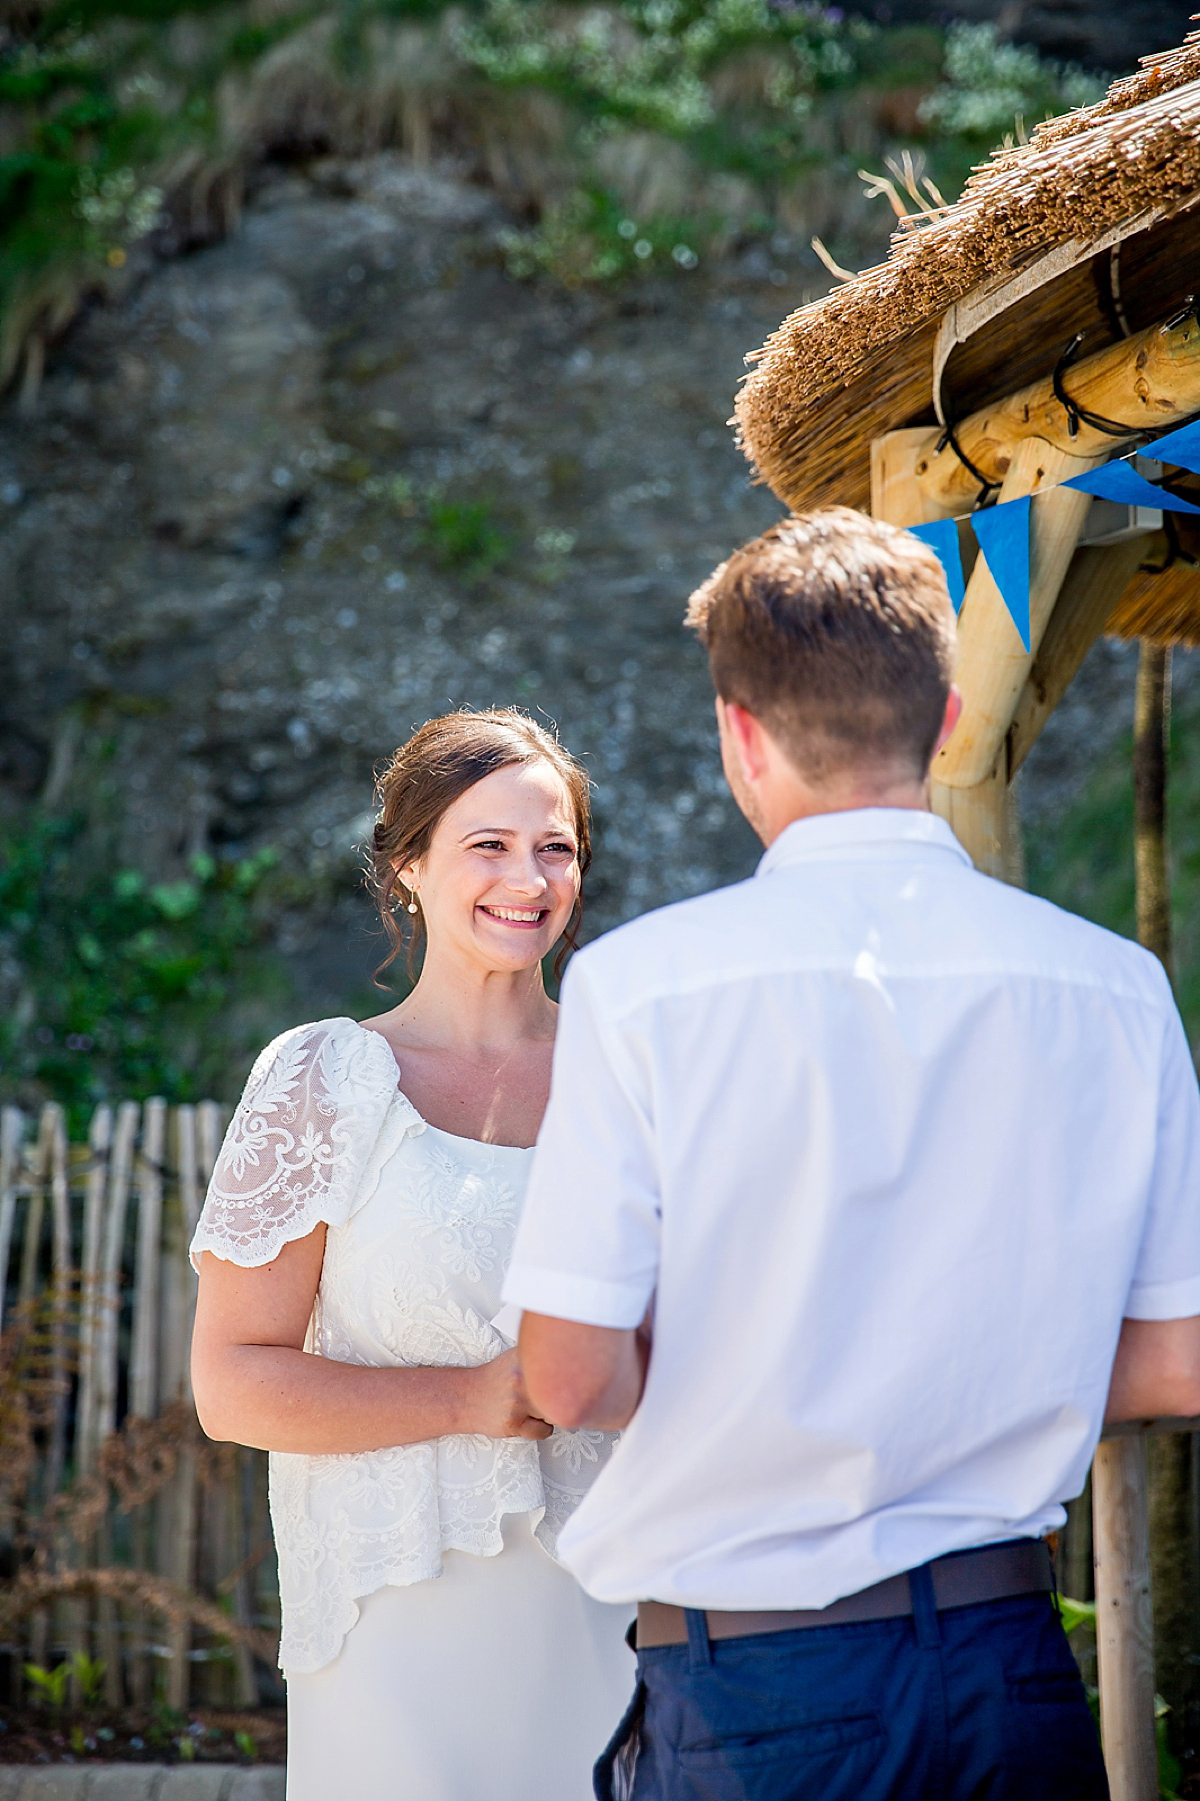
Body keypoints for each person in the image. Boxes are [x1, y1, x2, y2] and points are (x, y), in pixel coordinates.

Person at [501, 509, 1200, 1801]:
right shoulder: (1114, 986)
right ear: (945, 722)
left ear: (739, 733)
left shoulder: (641, 987)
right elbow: (1176, 1357)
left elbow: (569, 1369)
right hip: (1014, 1667)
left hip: (763, 1681)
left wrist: (788, 1370)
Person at [189, 708, 635, 1801]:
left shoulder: (638, 1074)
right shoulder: (319, 1080)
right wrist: (473, 1398)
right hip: (394, 1628)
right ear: (408, 864)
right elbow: (233, 1383)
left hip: (620, 1607)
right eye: (488, 845)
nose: (527, 877)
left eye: (555, 847)